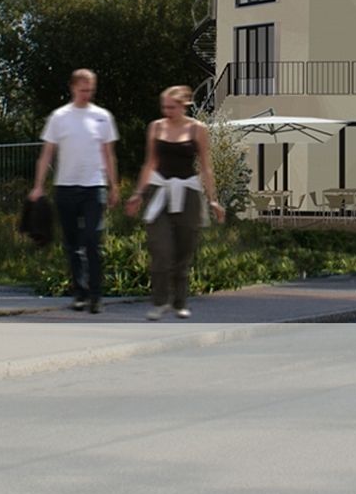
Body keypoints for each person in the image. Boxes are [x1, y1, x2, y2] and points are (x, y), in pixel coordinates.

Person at [126, 86, 226, 320]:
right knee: (161, 250)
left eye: (172, 107)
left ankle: (180, 302)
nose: (167, 111)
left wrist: (213, 200)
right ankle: (160, 302)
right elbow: (150, 163)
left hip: (188, 192)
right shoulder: (156, 127)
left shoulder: (197, 129)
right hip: (159, 190)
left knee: (183, 250)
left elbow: (206, 166)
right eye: (164, 107)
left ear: (183, 106)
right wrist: (138, 194)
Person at [30, 69, 119, 313]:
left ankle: (96, 295)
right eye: (82, 89)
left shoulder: (102, 117)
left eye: (90, 90)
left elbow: (108, 154)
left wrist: (114, 185)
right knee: (72, 244)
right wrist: (38, 185)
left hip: (94, 186)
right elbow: (47, 153)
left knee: (92, 239)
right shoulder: (60, 117)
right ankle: (80, 293)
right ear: (72, 88)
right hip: (66, 187)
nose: (86, 94)